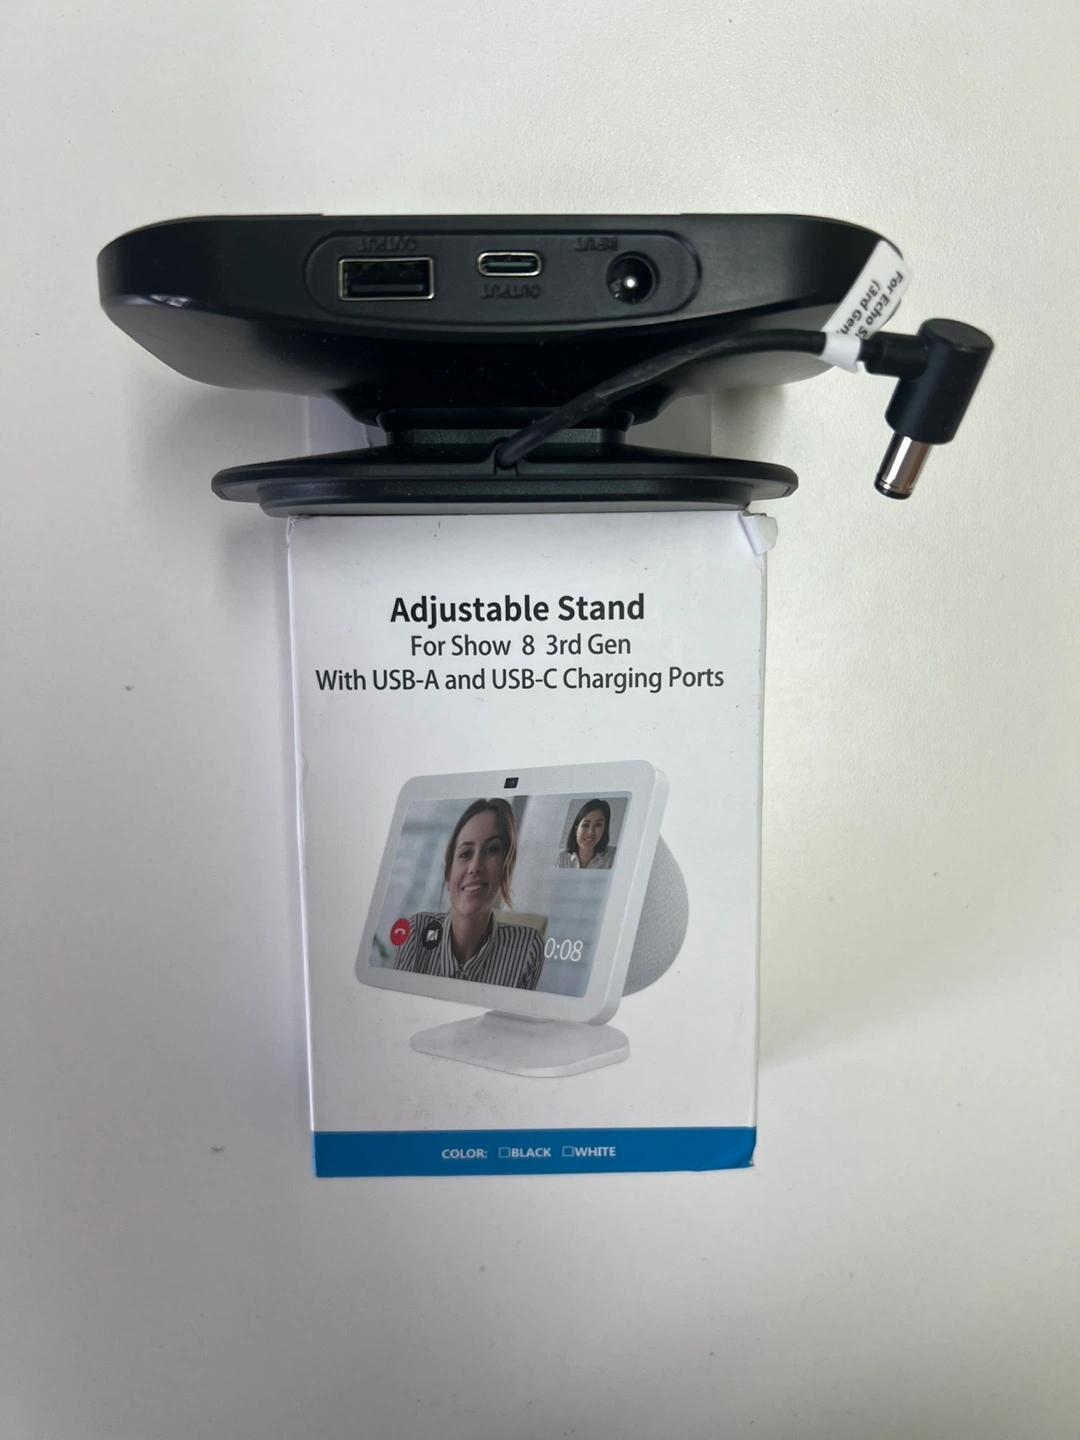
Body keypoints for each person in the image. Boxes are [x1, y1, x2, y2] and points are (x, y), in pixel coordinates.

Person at [394, 798, 544, 989]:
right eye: (465, 854)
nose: (475, 867)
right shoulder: (416, 931)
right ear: (448, 876)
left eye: (491, 850)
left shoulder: (528, 948)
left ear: (505, 868)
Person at [556, 798, 617, 870]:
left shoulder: (615, 857)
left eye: (598, 825)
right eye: (586, 825)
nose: (591, 832)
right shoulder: (559, 858)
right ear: (576, 829)